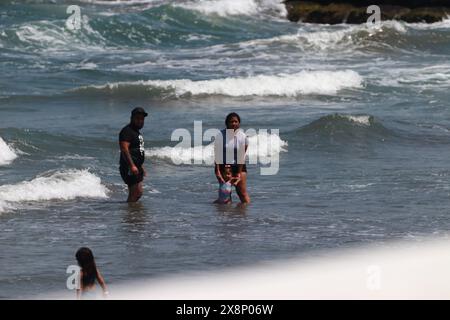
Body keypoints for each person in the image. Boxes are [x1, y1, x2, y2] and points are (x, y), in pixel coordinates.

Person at [214, 112, 251, 204]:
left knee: (242, 193)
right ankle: (230, 217)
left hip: (239, 166)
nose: (234, 123)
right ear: (227, 123)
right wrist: (218, 171)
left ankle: (247, 216)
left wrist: (238, 172)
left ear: (239, 123)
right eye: (231, 121)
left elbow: (241, 156)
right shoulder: (220, 135)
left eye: (236, 121)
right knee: (226, 195)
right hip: (224, 167)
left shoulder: (243, 137)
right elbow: (217, 154)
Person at [119, 107, 148, 202]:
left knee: (138, 193)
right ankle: (129, 214)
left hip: (136, 166)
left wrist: (141, 166)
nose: (140, 121)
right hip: (129, 167)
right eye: (138, 118)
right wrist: (132, 166)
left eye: (142, 119)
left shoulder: (136, 132)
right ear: (132, 118)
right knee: (135, 192)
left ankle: (131, 213)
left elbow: (137, 150)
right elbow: (124, 149)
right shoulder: (127, 131)